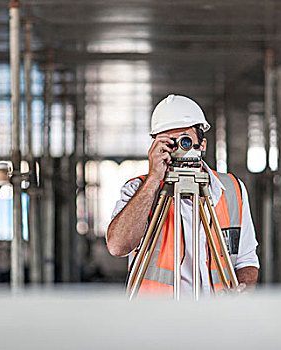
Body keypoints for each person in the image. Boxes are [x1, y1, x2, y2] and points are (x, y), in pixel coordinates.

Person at [106, 94, 259, 296]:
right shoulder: (138, 190)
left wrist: (241, 290)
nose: (178, 148)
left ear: (202, 145)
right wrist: (154, 178)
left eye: (185, 140)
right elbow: (118, 246)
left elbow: (247, 262)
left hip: (217, 318)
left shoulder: (232, 190)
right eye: (170, 141)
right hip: (158, 320)